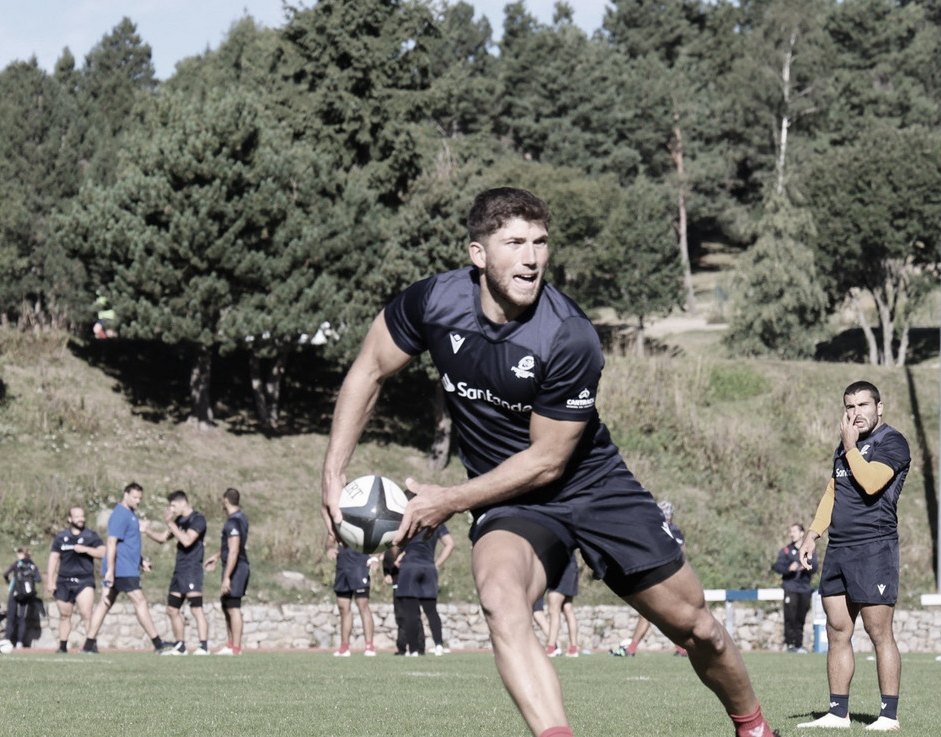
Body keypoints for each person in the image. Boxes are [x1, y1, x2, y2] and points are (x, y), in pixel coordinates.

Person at [321, 188, 776, 737]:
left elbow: (548, 461)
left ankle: (752, 727)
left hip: (591, 485)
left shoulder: (568, 335)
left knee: (697, 626)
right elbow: (369, 368)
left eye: (540, 243)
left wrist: (448, 500)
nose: (532, 257)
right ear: (478, 254)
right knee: (499, 598)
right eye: (514, 242)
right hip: (510, 500)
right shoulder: (433, 303)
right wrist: (332, 474)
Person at [798, 381, 911, 731]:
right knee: (836, 630)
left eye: (863, 404)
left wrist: (849, 447)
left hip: (874, 548)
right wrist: (812, 534)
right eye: (850, 406)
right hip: (839, 550)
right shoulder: (845, 447)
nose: (856, 412)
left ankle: (888, 717)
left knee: (879, 632)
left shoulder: (892, 442)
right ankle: (837, 713)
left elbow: (872, 482)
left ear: (880, 407)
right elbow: (834, 490)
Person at [81, 482, 167, 654]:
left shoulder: (131, 515)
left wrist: (141, 561)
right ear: (126, 495)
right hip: (122, 569)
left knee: (104, 604)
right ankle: (158, 644)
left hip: (127, 566)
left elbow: (128, 544)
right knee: (140, 601)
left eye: (140, 498)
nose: (138, 501)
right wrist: (111, 571)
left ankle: (88, 645)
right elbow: (111, 543)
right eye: (135, 497)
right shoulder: (120, 514)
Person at [611, 500, 687, 657]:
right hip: (665, 578)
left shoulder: (666, 530)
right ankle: (682, 648)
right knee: (657, 614)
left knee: (650, 614)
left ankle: (632, 649)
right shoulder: (668, 529)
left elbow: (677, 553)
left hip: (664, 579)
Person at [142, 490, 210, 655]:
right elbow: (163, 538)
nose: (171, 509)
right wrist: (147, 531)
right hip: (179, 570)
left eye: (173, 505)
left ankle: (203, 646)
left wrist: (171, 523)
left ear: (183, 503)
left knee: (196, 609)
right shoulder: (179, 521)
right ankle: (180, 646)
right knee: (172, 609)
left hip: (192, 569)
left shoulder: (198, 519)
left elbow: (187, 540)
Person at [46, 506, 106, 653]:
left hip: (84, 580)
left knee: (87, 614)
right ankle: (62, 646)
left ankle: (91, 645)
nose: (81, 519)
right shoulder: (61, 537)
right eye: (77, 516)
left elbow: (103, 552)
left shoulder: (90, 536)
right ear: (70, 519)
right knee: (65, 615)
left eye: (82, 516)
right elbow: (54, 557)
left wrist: (86, 550)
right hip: (64, 581)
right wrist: (50, 580)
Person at [393, 523, 455, 657]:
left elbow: (395, 541)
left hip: (409, 567)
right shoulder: (436, 520)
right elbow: (450, 544)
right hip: (428, 568)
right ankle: (439, 645)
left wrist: (399, 557)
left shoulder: (409, 520)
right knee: (431, 611)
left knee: (410, 612)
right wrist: (436, 564)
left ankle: (414, 650)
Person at [204, 487, 249, 655]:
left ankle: (236, 648)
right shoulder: (242, 518)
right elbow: (231, 547)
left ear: (225, 501)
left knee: (233, 606)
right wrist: (216, 556)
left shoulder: (233, 522)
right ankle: (230, 644)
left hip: (237, 568)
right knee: (226, 604)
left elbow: (234, 550)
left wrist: (227, 577)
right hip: (237, 565)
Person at [329, 534, 378, 657]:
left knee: (363, 605)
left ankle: (369, 646)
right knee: (343, 607)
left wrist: (375, 557)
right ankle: (344, 647)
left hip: (360, 566)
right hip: (342, 567)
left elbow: (378, 537)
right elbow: (330, 539)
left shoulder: (362, 518)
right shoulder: (338, 522)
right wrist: (329, 548)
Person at [773, 522, 818, 653]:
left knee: (800, 619)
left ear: (802, 533)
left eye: (794, 531)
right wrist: (789, 569)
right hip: (790, 588)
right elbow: (777, 567)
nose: (791, 534)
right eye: (790, 531)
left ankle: (798, 645)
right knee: (790, 617)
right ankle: (790, 645)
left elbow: (815, 567)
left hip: (804, 589)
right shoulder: (786, 551)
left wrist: (806, 567)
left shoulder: (809, 550)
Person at [2, 547, 42, 648]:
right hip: (27, 595)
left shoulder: (16, 564)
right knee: (23, 618)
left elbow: (6, 574)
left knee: (11, 616)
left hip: (15, 592)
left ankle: (7, 639)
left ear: (22, 554)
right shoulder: (33, 566)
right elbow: (38, 579)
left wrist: (9, 582)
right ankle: (20, 641)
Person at [545, 551, 580, 657]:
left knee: (553, 609)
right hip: (571, 566)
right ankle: (573, 649)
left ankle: (551, 648)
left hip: (562, 567)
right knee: (567, 607)